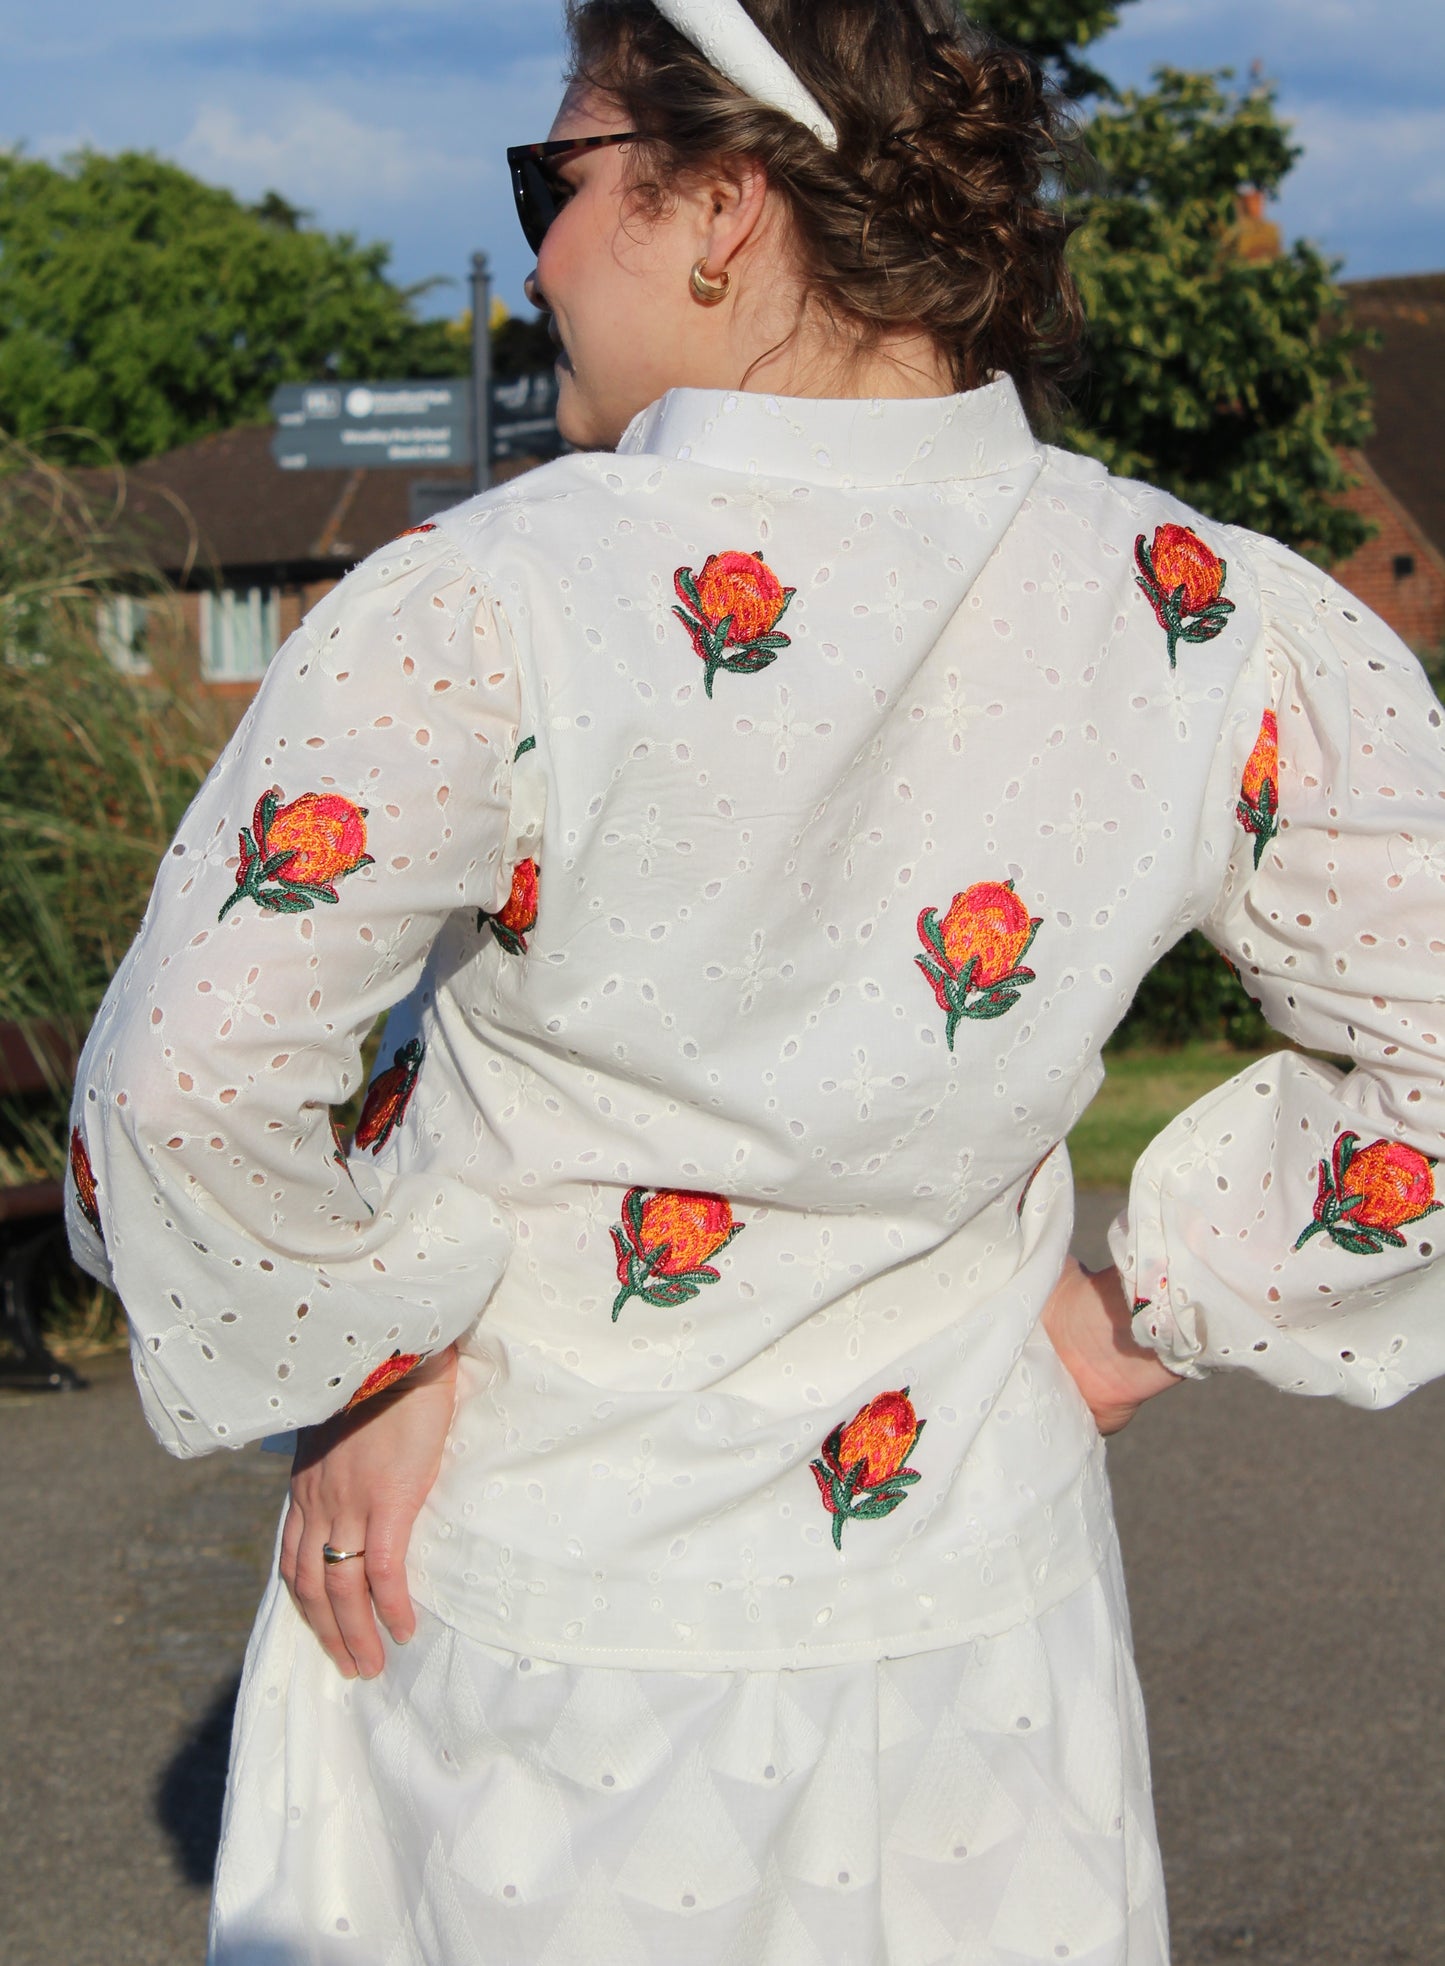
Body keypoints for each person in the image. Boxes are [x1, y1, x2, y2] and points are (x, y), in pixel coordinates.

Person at [66, 0, 1445, 1960]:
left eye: (553, 178)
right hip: (989, 1636)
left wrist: (366, 1343)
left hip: (541, 1635)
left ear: (721, 203)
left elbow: (177, 1091)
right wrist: (1140, 1308)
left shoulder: (488, 608)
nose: (535, 250)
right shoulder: (1201, 615)